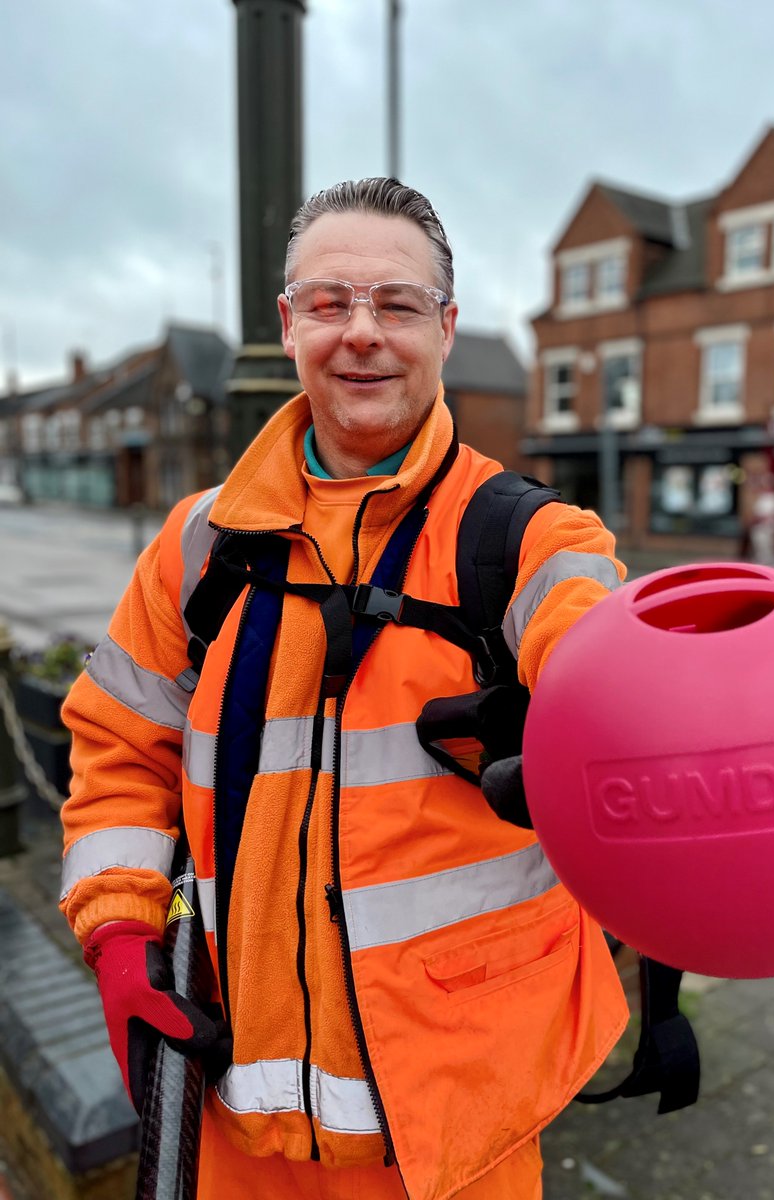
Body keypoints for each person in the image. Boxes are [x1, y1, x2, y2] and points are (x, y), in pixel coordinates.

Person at [59, 177, 628, 1200]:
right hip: (236, 1109)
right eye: (329, 302)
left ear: (447, 328)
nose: (361, 333)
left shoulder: (531, 539)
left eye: (398, 304)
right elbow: (116, 746)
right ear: (288, 325)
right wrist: (120, 928)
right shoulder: (197, 546)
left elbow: (609, 660)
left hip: (455, 1137)